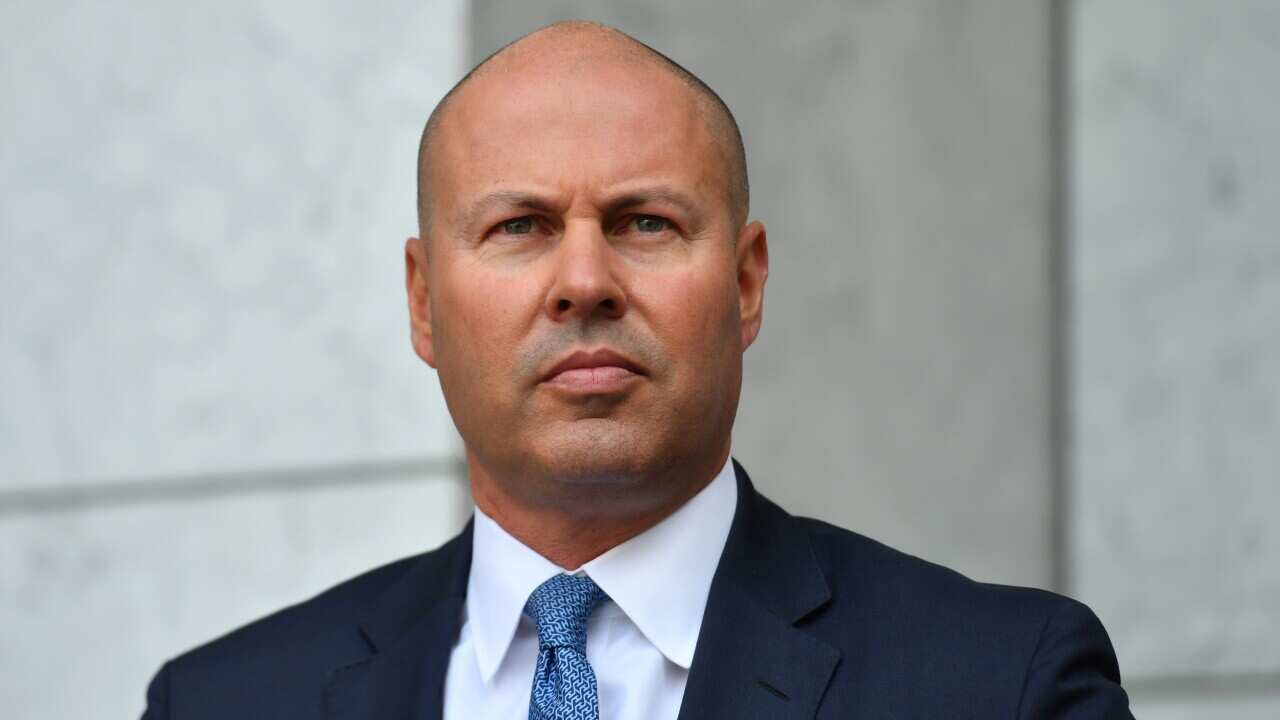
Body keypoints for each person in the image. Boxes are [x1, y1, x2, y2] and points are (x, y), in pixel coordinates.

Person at [141, 21, 1133, 720]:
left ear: (744, 284)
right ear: (421, 302)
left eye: (643, 222)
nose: (583, 282)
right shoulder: (223, 703)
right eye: (518, 226)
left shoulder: (997, 688)